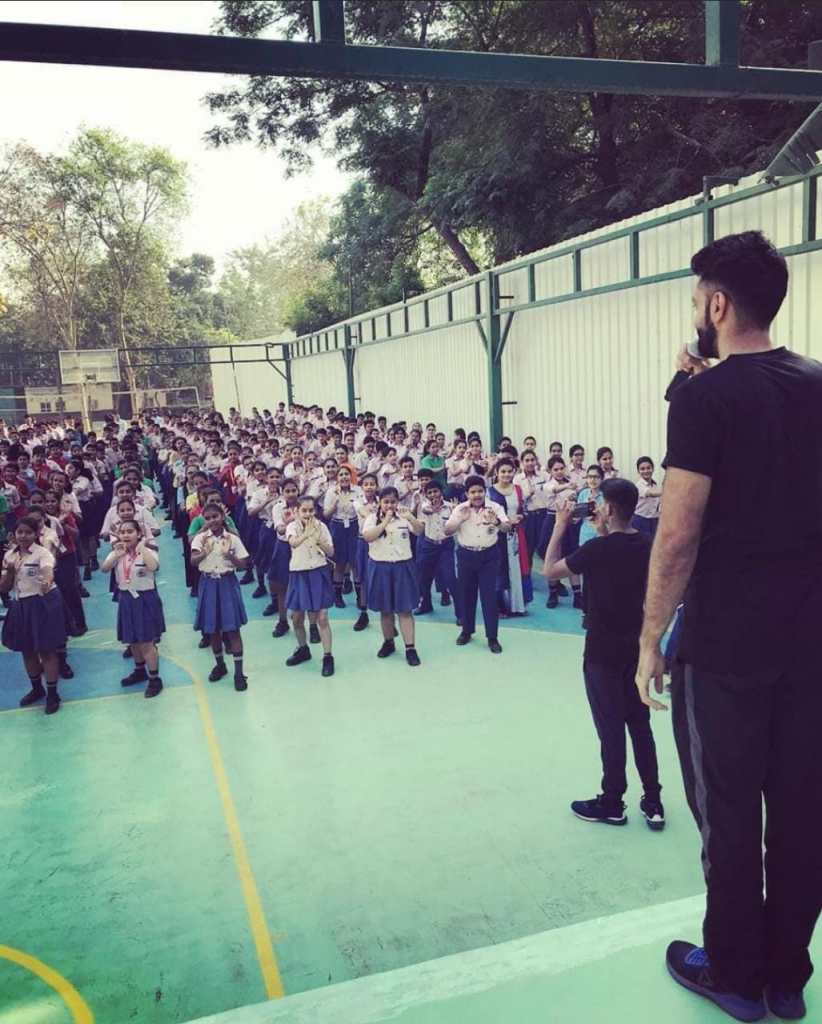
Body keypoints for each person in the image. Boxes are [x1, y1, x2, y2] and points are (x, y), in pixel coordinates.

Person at [635, 231, 822, 1023]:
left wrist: (649, 638)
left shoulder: (702, 400)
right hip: (812, 640)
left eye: (697, 301)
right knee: (806, 810)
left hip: (725, 647)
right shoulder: (818, 383)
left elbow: (677, 533)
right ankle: (786, 978)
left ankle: (738, 975)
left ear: (716, 305)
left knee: (730, 811)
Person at [544, 481, 663, 829]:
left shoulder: (595, 549)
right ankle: (653, 800)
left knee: (610, 729)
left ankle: (612, 801)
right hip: (636, 648)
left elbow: (549, 569)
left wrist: (560, 526)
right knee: (640, 725)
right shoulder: (647, 544)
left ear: (609, 509)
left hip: (601, 651)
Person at [0, 515, 67, 714]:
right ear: (14, 534)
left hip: (42, 603)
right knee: (27, 650)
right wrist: (10, 572)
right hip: (20, 605)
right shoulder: (9, 556)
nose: (23, 536)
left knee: (46, 650)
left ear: (36, 533)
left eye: (28, 532)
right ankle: (37, 688)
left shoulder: (43, 553)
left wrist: (47, 581)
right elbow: (4, 587)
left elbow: (48, 571)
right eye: (20, 532)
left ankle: (53, 693)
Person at [445, 475, 510, 653]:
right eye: (473, 492)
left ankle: (492, 637)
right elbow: (447, 530)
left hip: (489, 556)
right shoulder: (460, 509)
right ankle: (466, 631)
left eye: (480, 491)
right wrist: (460, 519)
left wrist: (496, 521)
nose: (477, 495)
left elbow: (507, 528)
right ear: (467, 494)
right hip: (466, 555)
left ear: (485, 491)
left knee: (489, 597)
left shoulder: (495, 507)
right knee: (467, 595)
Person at [101, 520, 165, 698]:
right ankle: (139, 670)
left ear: (139, 534)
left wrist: (142, 548)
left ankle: (155, 679)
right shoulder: (118, 553)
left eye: (130, 531)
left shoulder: (148, 551)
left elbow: (154, 567)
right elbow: (104, 569)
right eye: (123, 532)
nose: (126, 535)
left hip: (145, 599)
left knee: (146, 642)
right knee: (133, 639)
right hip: (126, 599)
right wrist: (115, 555)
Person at [190, 504, 250, 692]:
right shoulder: (200, 538)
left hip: (227, 582)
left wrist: (230, 556)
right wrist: (204, 553)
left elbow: (243, 564)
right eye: (207, 518)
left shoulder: (232, 538)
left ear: (222, 516)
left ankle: (239, 673)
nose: (212, 521)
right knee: (213, 628)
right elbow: (193, 561)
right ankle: (220, 664)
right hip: (208, 582)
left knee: (233, 629)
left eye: (215, 516)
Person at [362, 486, 423, 666]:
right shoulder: (372, 518)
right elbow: (368, 537)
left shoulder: (404, 516)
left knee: (405, 610)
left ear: (398, 502)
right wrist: (385, 522)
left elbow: (419, 531)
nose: (390, 505)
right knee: (385, 609)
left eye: (393, 502)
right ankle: (389, 642)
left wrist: (411, 517)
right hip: (380, 567)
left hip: (403, 566)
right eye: (386, 502)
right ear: (380, 502)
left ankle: (410, 648)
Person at [283, 496, 336, 677]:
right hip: (298, 573)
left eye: (311, 510)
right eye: (304, 510)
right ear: (297, 511)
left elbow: (331, 552)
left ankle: (328, 656)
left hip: (318, 572)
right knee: (296, 617)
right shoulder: (292, 527)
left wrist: (318, 538)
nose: (307, 514)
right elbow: (293, 543)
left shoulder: (322, 527)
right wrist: (307, 533)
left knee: (322, 617)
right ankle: (303, 649)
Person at [488, 458, 532, 616]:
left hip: (516, 535)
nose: (506, 474)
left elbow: (524, 510)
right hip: (497, 536)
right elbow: (488, 515)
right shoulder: (489, 492)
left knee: (517, 569)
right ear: (496, 473)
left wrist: (520, 517)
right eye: (503, 471)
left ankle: (517, 606)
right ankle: (500, 606)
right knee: (500, 570)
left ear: (514, 472)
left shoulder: (518, 490)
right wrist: (505, 520)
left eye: (509, 471)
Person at [414, 480, 459, 620]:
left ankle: (461, 614)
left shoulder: (450, 507)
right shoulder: (424, 506)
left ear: (441, 492)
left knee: (450, 578)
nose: (433, 495)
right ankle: (425, 604)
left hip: (446, 546)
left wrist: (456, 511)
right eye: (430, 493)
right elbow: (425, 511)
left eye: (436, 491)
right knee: (423, 577)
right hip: (428, 545)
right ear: (426, 495)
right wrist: (432, 510)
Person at [633, 457, 662, 538]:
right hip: (641, 520)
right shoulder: (639, 485)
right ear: (638, 471)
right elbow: (651, 493)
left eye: (648, 468)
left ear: (653, 469)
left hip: (654, 520)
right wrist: (671, 489)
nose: (646, 471)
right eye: (642, 469)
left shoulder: (655, 485)